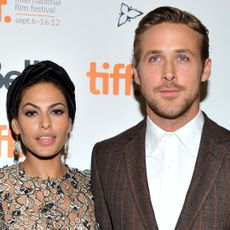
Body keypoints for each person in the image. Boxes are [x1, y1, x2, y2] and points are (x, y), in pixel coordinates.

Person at [91, 6, 230, 230]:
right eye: (155, 58)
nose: (168, 73)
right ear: (136, 73)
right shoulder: (107, 158)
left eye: (182, 57)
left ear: (205, 69)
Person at [0, 60, 98, 229]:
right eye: (31, 113)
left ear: (69, 122)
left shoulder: (94, 187)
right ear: (15, 124)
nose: (45, 123)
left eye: (56, 111)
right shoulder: (2, 188)